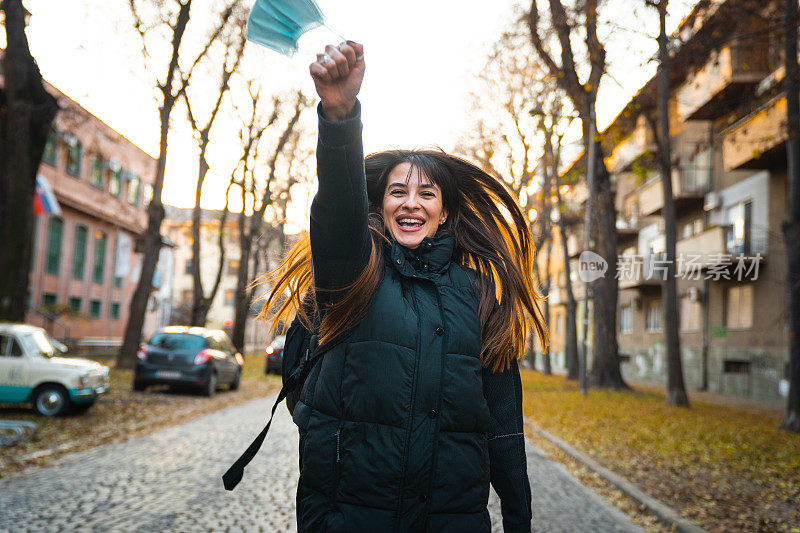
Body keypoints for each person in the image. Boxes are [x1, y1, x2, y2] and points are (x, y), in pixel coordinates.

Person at [262, 41, 549, 532]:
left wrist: (519, 522)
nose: (411, 204)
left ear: (444, 212)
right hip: (347, 520)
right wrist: (339, 114)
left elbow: (503, 427)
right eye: (398, 191)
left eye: (426, 193)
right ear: (380, 204)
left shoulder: (480, 295)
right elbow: (335, 212)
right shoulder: (353, 274)